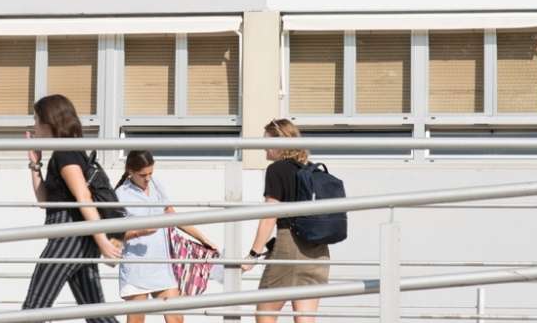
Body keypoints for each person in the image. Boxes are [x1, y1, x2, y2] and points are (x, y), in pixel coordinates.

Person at [22, 94, 121, 323]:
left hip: (68, 238)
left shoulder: (65, 153)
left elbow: (83, 196)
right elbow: (45, 201)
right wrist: (35, 164)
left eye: (36, 120)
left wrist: (102, 241)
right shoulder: (64, 153)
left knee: (34, 307)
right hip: (77, 238)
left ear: (50, 122)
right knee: (97, 316)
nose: (34, 126)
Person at [241, 119, 329, 323]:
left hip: (290, 245)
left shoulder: (276, 169)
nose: (263, 147)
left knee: (265, 313)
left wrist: (253, 255)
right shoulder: (312, 169)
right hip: (318, 251)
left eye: (267, 142)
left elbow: (269, 216)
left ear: (280, 143)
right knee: (305, 318)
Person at [114, 150, 218, 323]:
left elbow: (173, 217)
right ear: (130, 171)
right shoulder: (120, 195)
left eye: (150, 173)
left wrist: (202, 239)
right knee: (136, 321)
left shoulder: (156, 185)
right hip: (136, 268)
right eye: (143, 175)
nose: (148, 178)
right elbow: (115, 233)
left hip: (163, 266)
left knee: (176, 319)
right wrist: (140, 231)